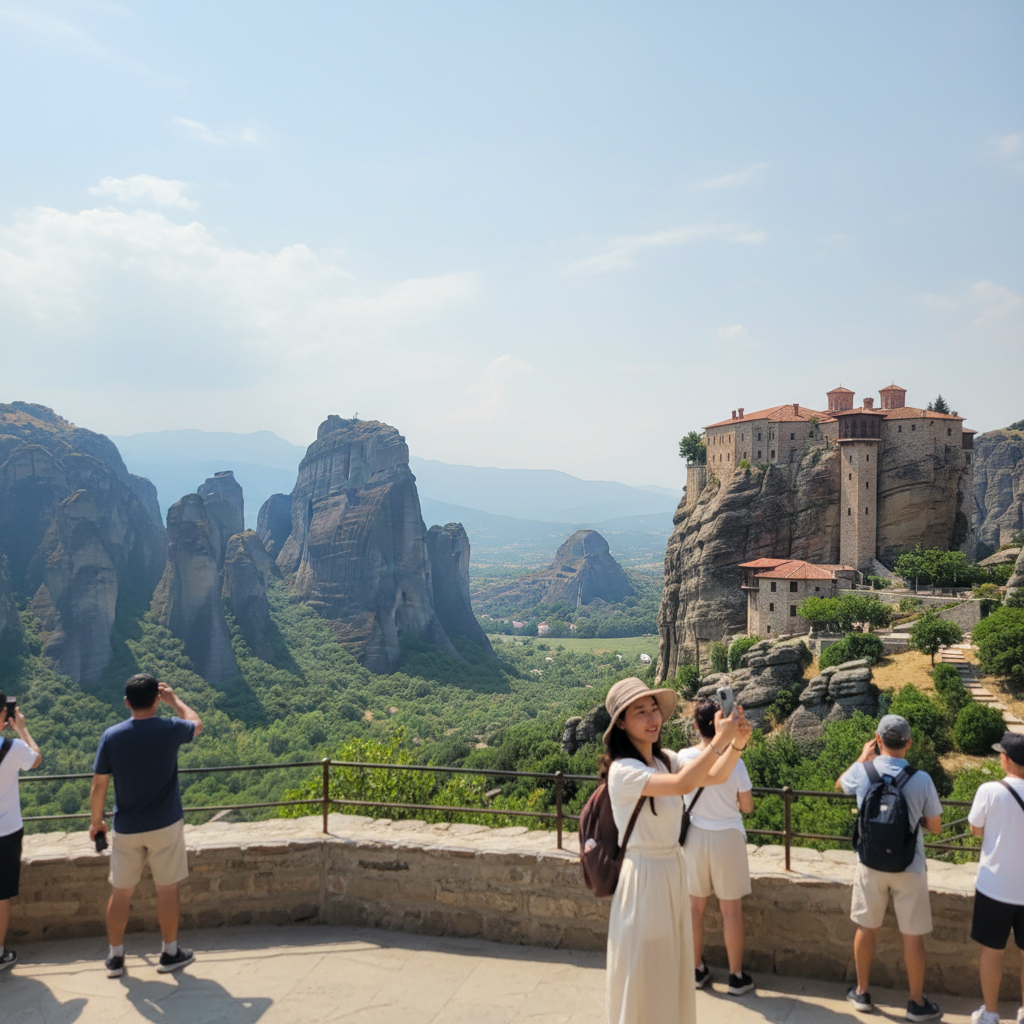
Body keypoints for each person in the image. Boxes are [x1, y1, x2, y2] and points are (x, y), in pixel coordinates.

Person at [602, 675, 752, 1024]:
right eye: (641, 712)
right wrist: (721, 740)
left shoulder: (664, 759)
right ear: (621, 722)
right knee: (646, 971)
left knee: (670, 971)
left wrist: (736, 744)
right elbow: (685, 784)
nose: (653, 718)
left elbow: (711, 777)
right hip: (643, 876)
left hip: (671, 869)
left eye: (654, 709)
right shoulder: (623, 771)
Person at [89, 673, 202, 978]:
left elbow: (99, 784)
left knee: (121, 893)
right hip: (166, 824)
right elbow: (197, 723)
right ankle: (170, 952)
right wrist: (174, 700)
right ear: (156, 699)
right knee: (167, 889)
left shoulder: (112, 736)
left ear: (127, 702)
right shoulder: (170, 728)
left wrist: (96, 822)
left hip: (126, 827)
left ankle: (115, 958)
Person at [836, 714, 943, 1022]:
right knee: (912, 936)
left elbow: (840, 785)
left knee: (865, 928)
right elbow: (935, 826)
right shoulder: (921, 779)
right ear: (909, 744)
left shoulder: (862, 771)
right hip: (909, 864)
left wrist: (861, 757)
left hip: (869, 863)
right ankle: (915, 1002)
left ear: (878, 740)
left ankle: (862, 992)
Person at [680, 698, 755, 996]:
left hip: (695, 836)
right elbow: (747, 806)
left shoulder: (684, 757)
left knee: (694, 910)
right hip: (728, 836)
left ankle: (695, 969)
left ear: (697, 727)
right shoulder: (735, 760)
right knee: (731, 911)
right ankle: (736, 976)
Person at [966, 732, 1024, 1024]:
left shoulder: (990, 790)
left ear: (1006, 759)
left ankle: (990, 1014)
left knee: (992, 952)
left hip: (995, 886)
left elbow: (976, 828)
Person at [0, 694, 41, 972]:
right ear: (5, 713)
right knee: (1, 895)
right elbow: (36, 759)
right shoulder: (11, 747)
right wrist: (21, 728)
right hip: (6, 832)